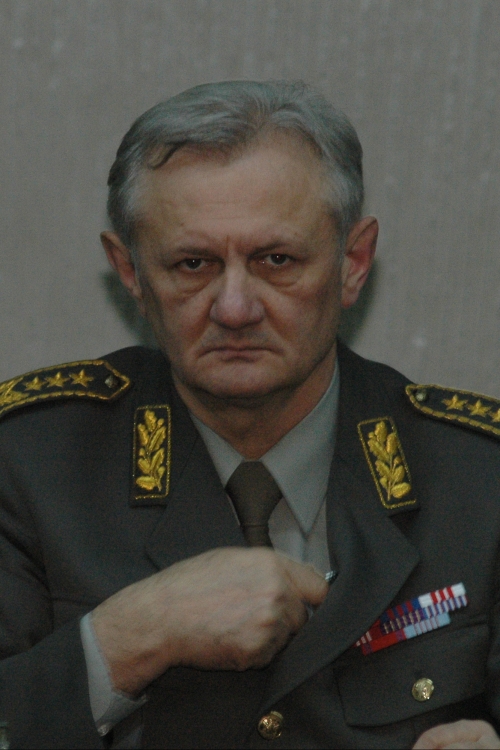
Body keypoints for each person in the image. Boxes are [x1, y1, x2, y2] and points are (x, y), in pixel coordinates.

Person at [1, 80, 500, 750]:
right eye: (193, 264)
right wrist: (130, 639)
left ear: (353, 263)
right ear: (131, 272)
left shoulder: (479, 478)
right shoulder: (29, 465)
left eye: (276, 260)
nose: (234, 308)